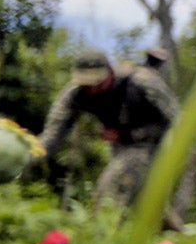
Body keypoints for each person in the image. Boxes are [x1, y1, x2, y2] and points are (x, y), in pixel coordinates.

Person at [38, 47, 185, 228]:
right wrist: (26, 155)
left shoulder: (142, 82)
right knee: (148, 202)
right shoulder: (76, 93)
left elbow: (179, 122)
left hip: (156, 144)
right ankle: (178, 239)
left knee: (110, 190)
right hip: (121, 146)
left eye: (97, 83)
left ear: (109, 72)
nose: (92, 90)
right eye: (87, 84)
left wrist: (131, 134)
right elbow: (52, 133)